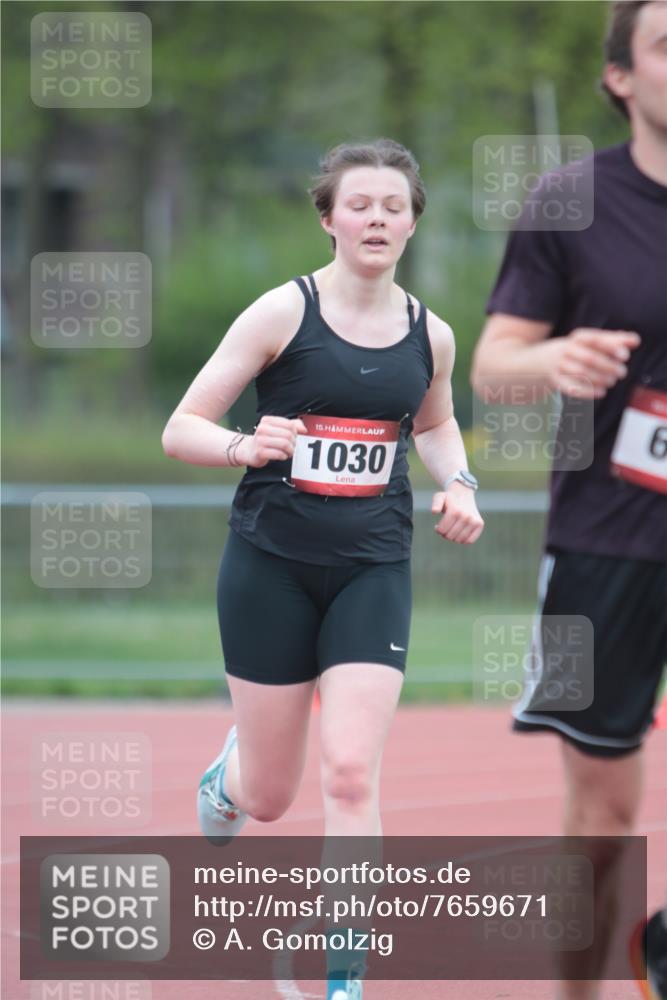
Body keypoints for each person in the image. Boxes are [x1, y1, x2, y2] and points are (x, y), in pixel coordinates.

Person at [162, 138, 484, 1000]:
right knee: (270, 796)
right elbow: (180, 426)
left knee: (349, 771)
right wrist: (242, 443)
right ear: (329, 218)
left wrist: (461, 484)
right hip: (269, 565)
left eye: (394, 205)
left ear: (413, 222)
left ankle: (344, 973)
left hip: (372, 567)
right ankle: (226, 778)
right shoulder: (280, 313)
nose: (377, 218)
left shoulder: (432, 333)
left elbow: (434, 424)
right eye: (360, 204)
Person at [471, 3, 667, 998]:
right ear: (620, 78)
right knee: (599, 811)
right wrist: (552, 357)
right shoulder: (570, 201)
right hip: (609, 542)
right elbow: (491, 369)